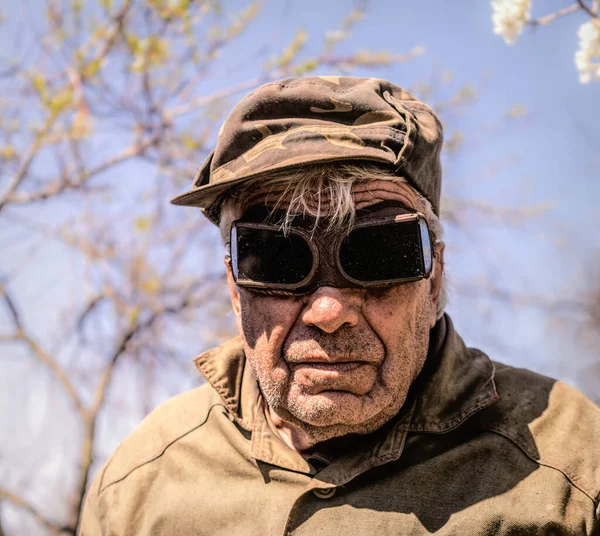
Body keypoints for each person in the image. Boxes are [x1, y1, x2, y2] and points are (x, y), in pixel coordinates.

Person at [78, 77, 600, 535]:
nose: (329, 311)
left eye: (376, 255)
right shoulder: (139, 486)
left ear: (435, 278)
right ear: (235, 288)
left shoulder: (574, 471)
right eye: (279, 259)